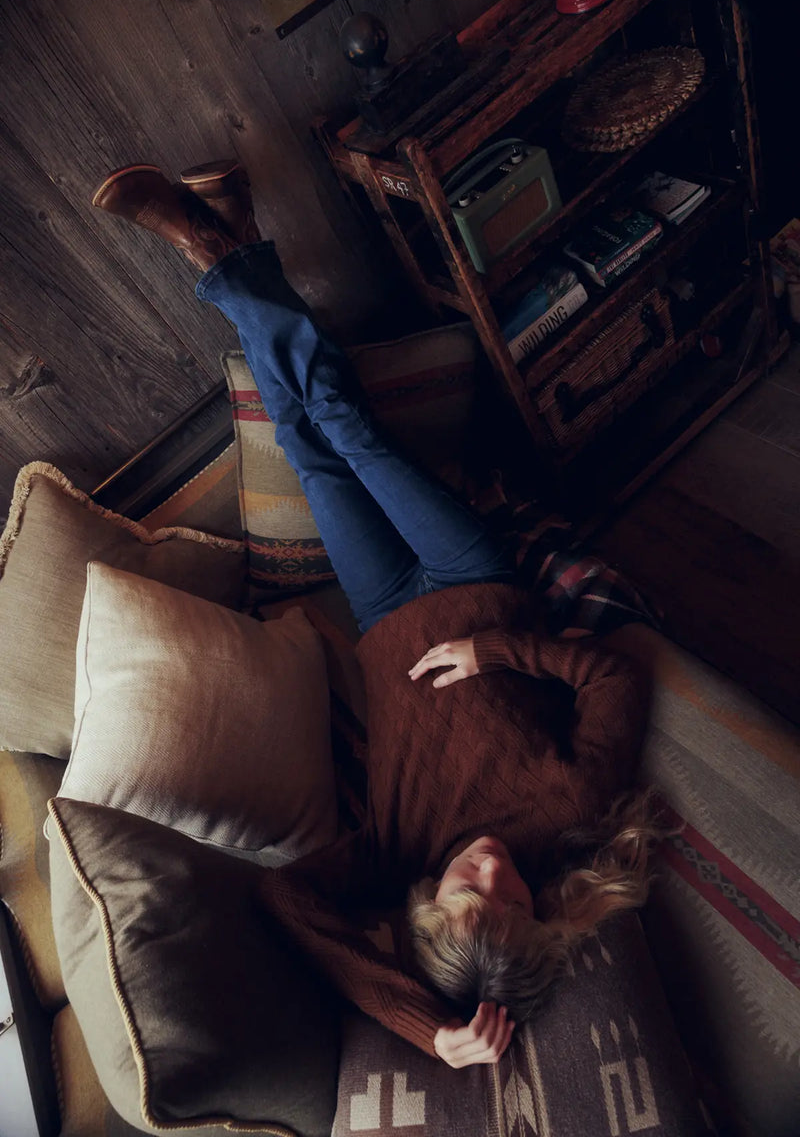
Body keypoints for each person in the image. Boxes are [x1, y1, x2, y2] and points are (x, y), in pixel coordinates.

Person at [92, 160, 659, 1069]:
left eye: (463, 891)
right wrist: (492, 652)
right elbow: (610, 674)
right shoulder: (572, 806)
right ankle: (208, 248)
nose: (485, 868)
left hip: (381, 610)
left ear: (427, 905)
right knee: (341, 421)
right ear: (535, 908)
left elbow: (291, 906)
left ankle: (234, 228)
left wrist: (424, 1030)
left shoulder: (396, 854)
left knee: (310, 459)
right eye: (508, 895)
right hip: (471, 576)